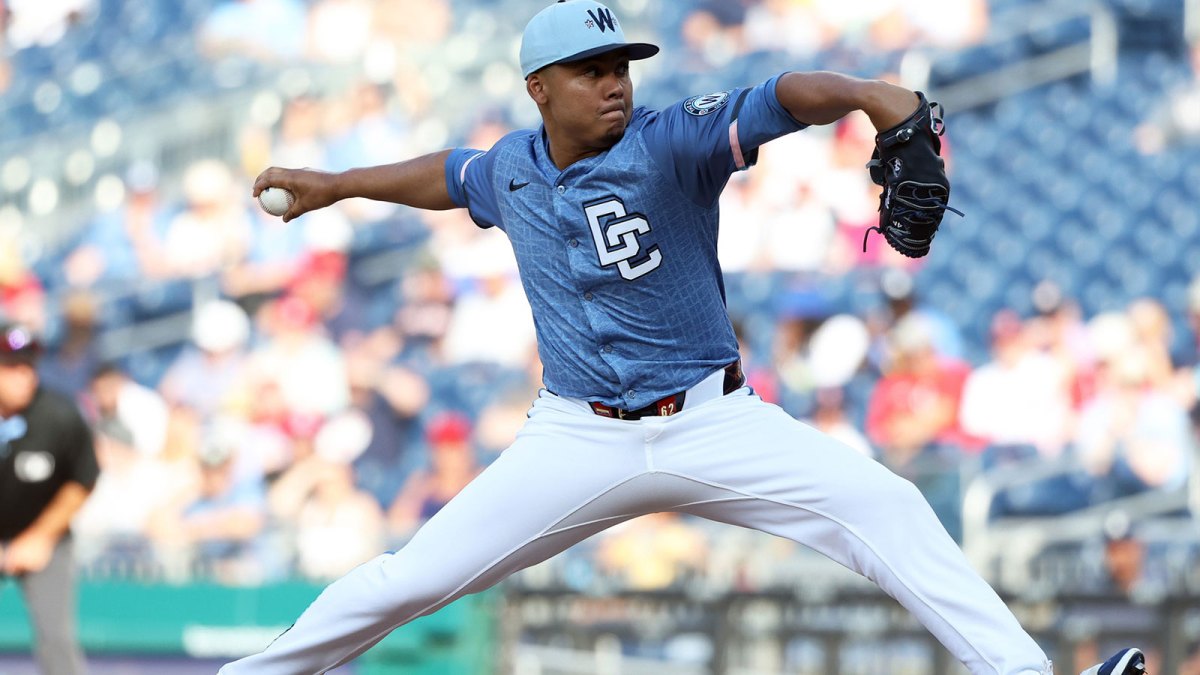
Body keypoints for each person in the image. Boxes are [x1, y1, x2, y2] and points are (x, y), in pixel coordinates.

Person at [224, 2, 1144, 673]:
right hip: (577, 436)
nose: (615, 82)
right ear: (540, 89)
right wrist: (339, 185)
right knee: (406, 577)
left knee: (889, 508)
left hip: (715, 421)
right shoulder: (511, 168)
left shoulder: (669, 143)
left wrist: (871, 92)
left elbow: (783, 95)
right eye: (592, 70)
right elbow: (446, 173)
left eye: (621, 64)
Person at [0, 322, 98, 675]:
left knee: (56, 640)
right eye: (11, 367)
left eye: (28, 366)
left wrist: (40, 536)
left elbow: (83, 480)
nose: (23, 376)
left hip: (45, 536)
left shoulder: (59, 415)